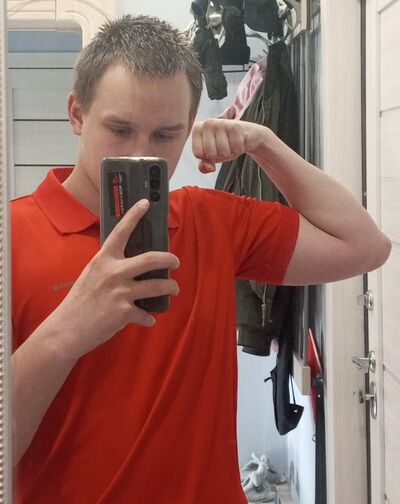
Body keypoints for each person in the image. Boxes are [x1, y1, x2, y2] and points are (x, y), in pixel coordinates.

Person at [11, 14, 390, 504]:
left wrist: (263, 144)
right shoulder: (11, 238)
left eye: (165, 135)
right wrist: (67, 330)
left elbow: (365, 246)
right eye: (120, 129)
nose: (142, 154)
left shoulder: (210, 220)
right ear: (77, 114)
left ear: (189, 128)